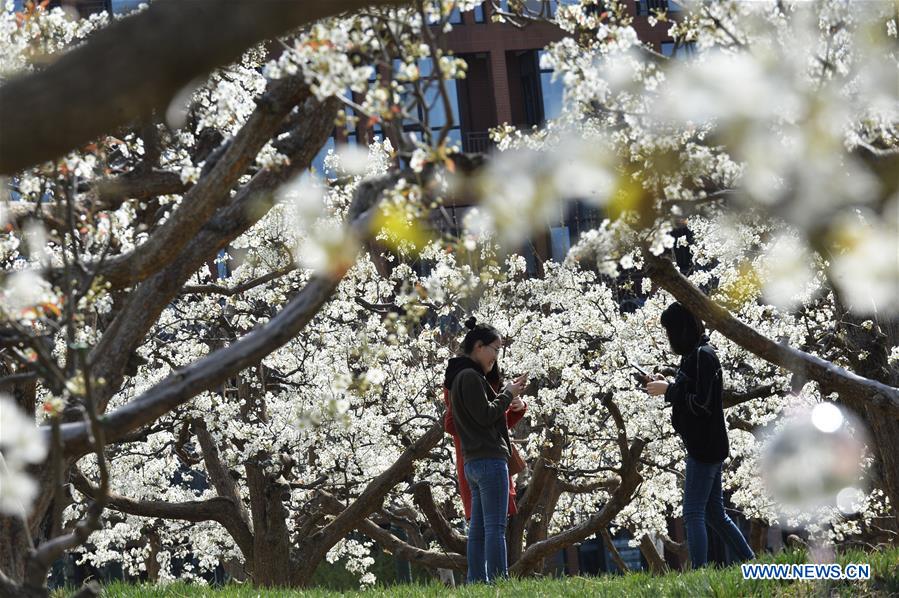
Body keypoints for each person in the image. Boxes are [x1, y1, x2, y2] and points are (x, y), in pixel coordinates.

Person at [644, 301, 755, 568]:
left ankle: (699, 572)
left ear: (681, 330)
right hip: (705, 444)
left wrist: (669, 390)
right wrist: (664, 382)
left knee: (693, 512)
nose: (668, 339)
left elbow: (702, 403)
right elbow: (688, 389)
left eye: (670, 332)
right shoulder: (693, 355)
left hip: (704, 446)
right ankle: (751, 563)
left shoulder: (704, 356)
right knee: (715, 514)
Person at [445, 317, 528, 583]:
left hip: (473, 463)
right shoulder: (470, 377)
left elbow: (485, 415)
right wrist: (507, 393)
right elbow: (485, 415)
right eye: (495, 349)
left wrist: (510, 399)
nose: (496, 356)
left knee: (479, 530)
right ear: (479, 346)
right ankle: (499, 580)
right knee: (495, 527)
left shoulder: (460, 376)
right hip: (489, 461)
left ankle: (477, 582)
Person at [443, 362, 527, 524]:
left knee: (494, 529)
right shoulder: (462, 379)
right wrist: (505, 397)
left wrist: (517, 407)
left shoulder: (487, 379)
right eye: (492, 349)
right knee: (491, 530)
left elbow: (493, 424)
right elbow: (454, 424)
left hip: (493, 459)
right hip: (480, 460)